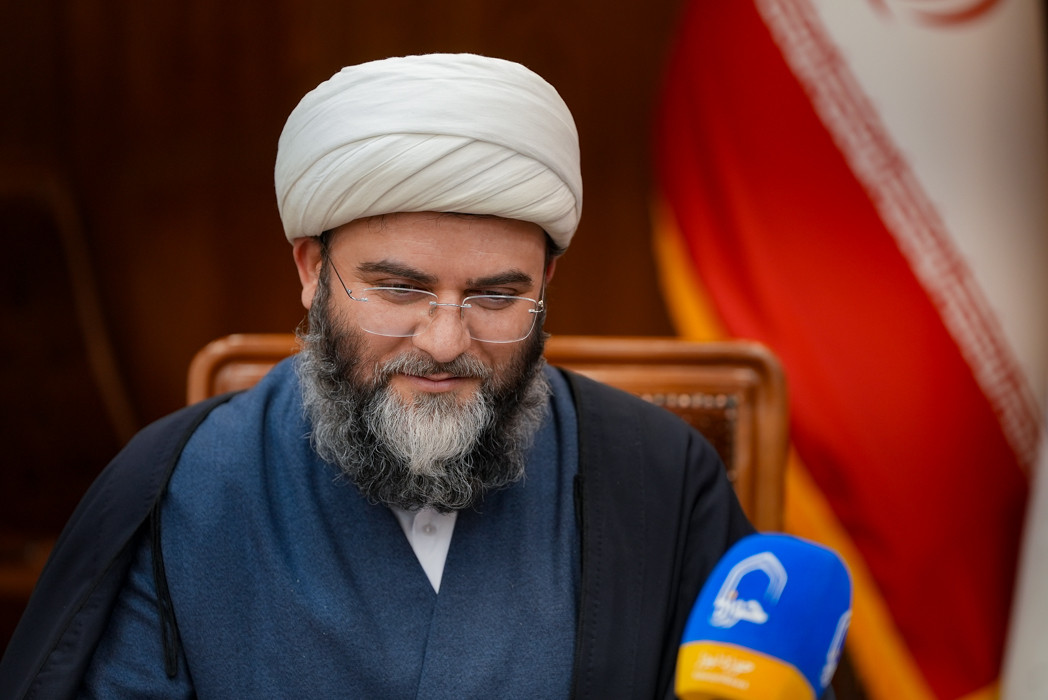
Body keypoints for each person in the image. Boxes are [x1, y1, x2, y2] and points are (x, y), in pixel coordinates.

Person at [0, 53, 754, 699]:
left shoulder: (658, 480)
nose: (445, 342)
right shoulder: (181, 494)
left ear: (546, 283)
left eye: (496, 297)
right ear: (311, 270)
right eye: (398, 290)